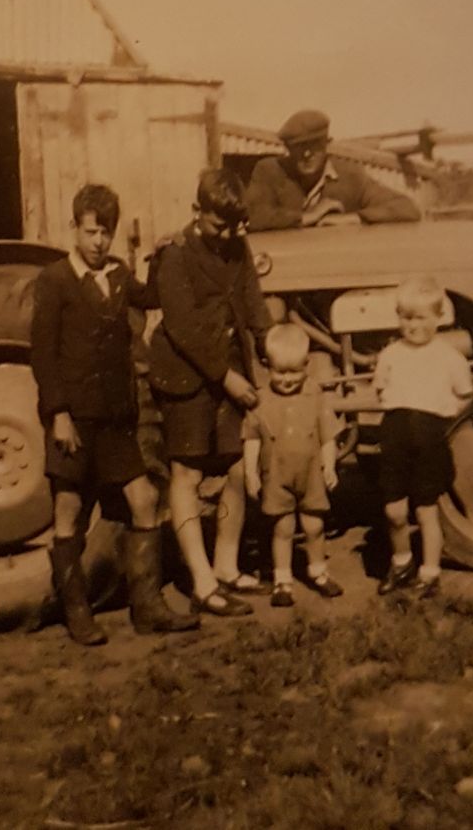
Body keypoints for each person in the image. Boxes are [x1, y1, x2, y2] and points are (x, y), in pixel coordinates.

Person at [30, 183, 199, 645]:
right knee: (69, 510)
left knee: (144, 501)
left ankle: (148, 607)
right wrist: (58, 414)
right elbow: (43, 356)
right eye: (91, 232)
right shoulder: (55, 281)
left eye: (106, 233)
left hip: (115, 420)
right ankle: (77, 611)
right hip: (75, 420)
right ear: (75, 228)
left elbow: (152, 297)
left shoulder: (121, 276)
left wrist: (163, 255)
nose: (99, 242)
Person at [148, 169, 274, 616]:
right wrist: (226, 378)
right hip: (185, 376)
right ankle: (201, 583)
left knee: (238, 470)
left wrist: (270, 346)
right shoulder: (174, 256)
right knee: (187, 476)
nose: (225, 235)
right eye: (217, 225)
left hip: (230, 371)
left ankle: (225, 565)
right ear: (197, 211)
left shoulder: (236, 247)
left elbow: (253, 302)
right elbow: (182, 328)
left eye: (232, 227)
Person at [372, 276, 473, 598]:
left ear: (438, 318)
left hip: (429, 436)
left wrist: (446, 412)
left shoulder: (449, 357)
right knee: (394, 511)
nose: (413, 325)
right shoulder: (391, 354)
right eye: (406, 317)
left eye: (420, 318)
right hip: (396, 433)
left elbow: (466, 395)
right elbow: (379, 390)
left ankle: (429, 574)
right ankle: (401, 562)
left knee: (426, 510)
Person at [242, 324, 344, 608]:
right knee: (283, 529)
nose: (287, 379)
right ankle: (283, 581)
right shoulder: (261, 400)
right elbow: (251, 439)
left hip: (310, 475)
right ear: (267, 367)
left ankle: (318, 572)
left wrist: (330, 467)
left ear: (307, 365)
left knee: (314, 526)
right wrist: (251, 472)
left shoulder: (315, 395)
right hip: (276, 476)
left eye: (294, 372)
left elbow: (328, 437)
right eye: (279, 372)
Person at [243, 108, 422, 231]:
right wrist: (307, 217)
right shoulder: (271, 171)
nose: (307, 154)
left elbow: (407, 208)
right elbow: (251, 216)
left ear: (327, 144)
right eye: (299, 147)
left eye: (314, 145)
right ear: (288, 149)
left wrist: (355, 218)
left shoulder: (351, 177)